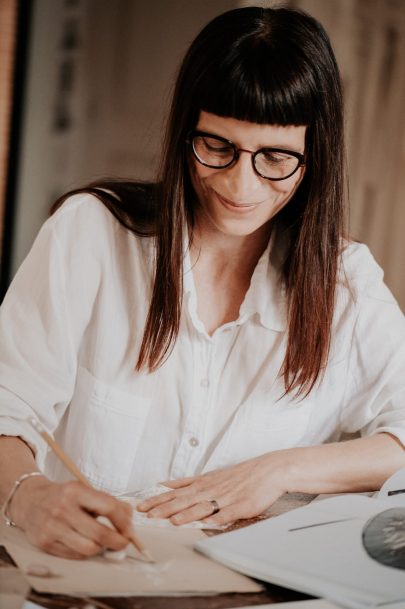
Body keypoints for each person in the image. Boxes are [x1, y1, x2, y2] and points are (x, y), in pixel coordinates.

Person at [1, 6, 405, 561]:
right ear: (184, 131)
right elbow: (6, 406)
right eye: (217, 147)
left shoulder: (346, 285)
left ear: (316, 159)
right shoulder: (91, 234)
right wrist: (29, 495)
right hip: (79, 580)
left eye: (275, 159)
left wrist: (281, 469)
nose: (241, 185)